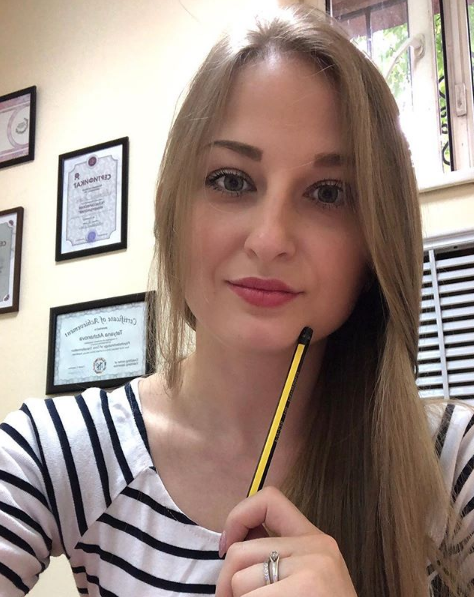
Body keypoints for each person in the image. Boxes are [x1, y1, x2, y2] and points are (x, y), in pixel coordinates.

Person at [1, 4, 473, 596]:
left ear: (375, 240)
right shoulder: (55, 452)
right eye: (231, 180)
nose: (270, 239)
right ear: (174, 207)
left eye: (328, 193)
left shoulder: (451, 463)